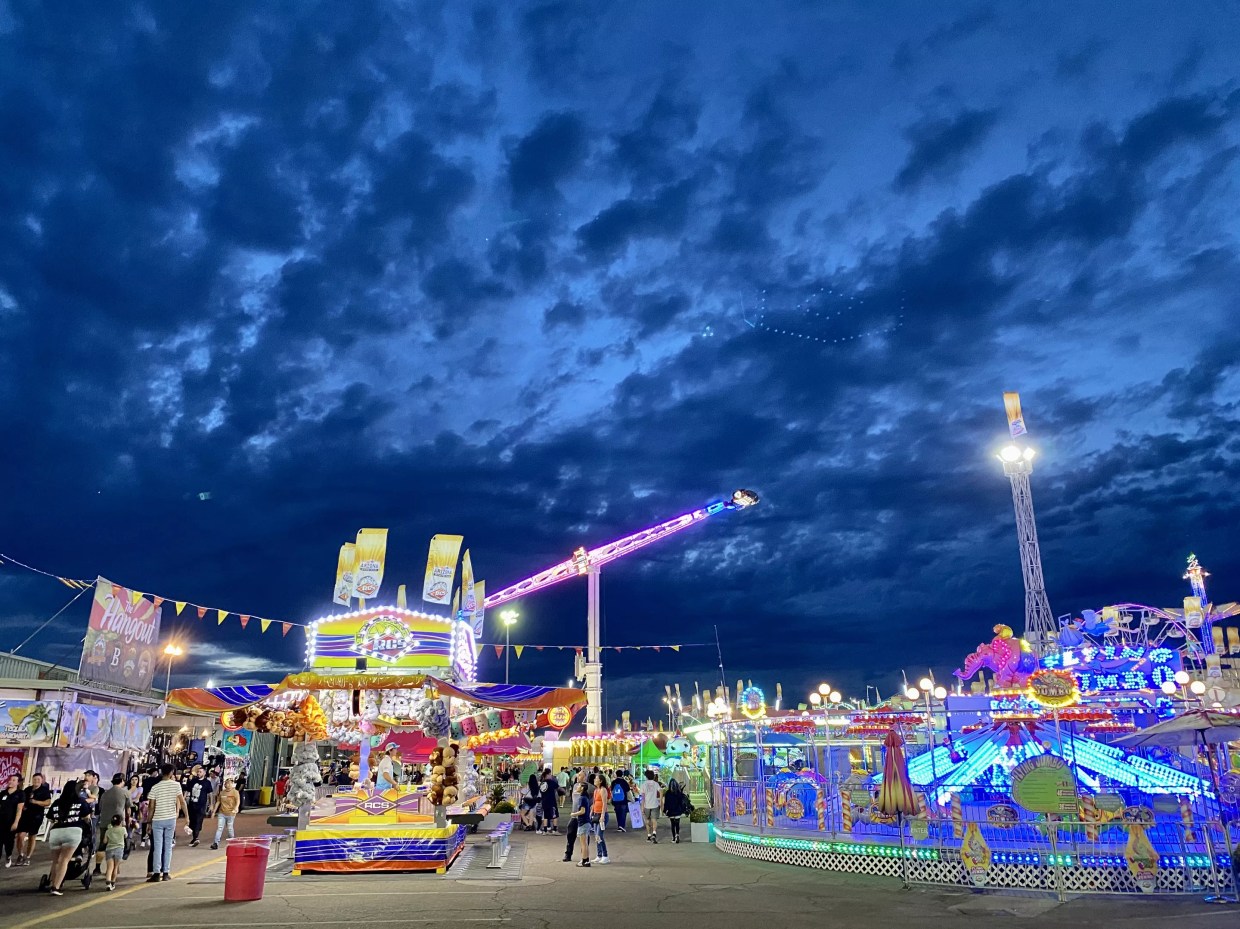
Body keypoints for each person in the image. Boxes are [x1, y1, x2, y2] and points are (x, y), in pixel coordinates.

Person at [45, 779, 91, 895]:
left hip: (56, 832)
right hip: (73, 831)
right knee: (64, 860)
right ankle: (56, 887)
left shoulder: (57, 802)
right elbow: (87, 817)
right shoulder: (80, 801)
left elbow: (50, 818)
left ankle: (52, 883)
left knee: (55, 861)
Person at [146, 763, 188, 882]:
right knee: (168, 847)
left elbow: (151, 807)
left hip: (157, 820)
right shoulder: (176, 785)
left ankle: (156, 873)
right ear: (171, 773)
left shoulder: (155, 787)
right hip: (170, 819)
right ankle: (166, 873)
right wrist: (187, 817)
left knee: (157, 847)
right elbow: (182, 802)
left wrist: (149, 822)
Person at [15, 772, 52, 866]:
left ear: (41, 780)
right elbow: (22, 800)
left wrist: (36, 802)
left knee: (32, 837)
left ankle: (28, 857)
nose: (36, 781)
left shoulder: (45, 790)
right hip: (25, 816)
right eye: (35, 779)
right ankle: (20, 855)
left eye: (38, 780)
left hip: (36, 816)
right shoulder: (27, 790)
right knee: (20, 836)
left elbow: (48, 802)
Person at [95, 774, 129, 873]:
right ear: (122, 780)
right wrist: (127, 820)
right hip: (118, 823)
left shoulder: (105, 794)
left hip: (104, 822)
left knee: (103, 845)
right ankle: (115, 869)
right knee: (118, 845)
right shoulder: (125, 793)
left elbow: (100, 807)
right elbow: (128, 809)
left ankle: (97, 868)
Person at [562, 770, 588, 862]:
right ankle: (568, 854)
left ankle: (584, 857)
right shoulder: (576, 786)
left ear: (584, 777)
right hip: (574, 816)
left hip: (583, 816)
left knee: (584, 839)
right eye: (578, 775)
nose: (578, 776)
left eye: (580, 775)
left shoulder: (588, 787)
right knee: (570, 835)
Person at [185, 765, 213, 846]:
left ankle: (196, 838)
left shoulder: (207, 782)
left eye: (200, 772)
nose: (198, 773)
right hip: (192, 805)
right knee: (192, 821)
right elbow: (187, 790)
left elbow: (210, 794)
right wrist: (183, 799)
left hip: (201, 806)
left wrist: (211, 804)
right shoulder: (193, 781)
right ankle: (195, 837)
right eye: (198, 772)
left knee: (198, 821)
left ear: (204, 773)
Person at [0, 774, 25, 867]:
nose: (11, 781)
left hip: (11, 821)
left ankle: (8, 856)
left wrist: (16, 822)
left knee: (8, 841)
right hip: (1, 820)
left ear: (18, 782)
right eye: (10, 780)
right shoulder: (3, 793)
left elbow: (19, 809)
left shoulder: (20, 793)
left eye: (14, 780)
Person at [210, 777, 240, 849]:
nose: (229, 785)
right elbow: (218, 801)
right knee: (220, 828)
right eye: (227, 783)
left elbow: (238, 801)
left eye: (230, 783)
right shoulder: (222, 792)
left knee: (230, 828)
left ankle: (232, 842)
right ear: (225, 784)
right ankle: (215, 843)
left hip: (231, 813)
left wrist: (236, 808)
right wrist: (214, 811)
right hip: (222, 813)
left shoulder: (235, 792)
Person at [571, 771, 593, 867]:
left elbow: (582, 811)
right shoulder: (585, 797)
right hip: (586, 822)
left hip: (583, 822)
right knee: (585, 843)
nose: (577, 787)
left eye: (579, 787)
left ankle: (584, 860)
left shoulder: (582, 798)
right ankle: (586, 860)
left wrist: (574, 814)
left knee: (583, 843)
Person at [101, 813, 127, 891]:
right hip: (119, 849)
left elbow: (105, 841)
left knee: (109, 867)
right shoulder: (123, 829)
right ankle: (113, 882)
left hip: (109, 849)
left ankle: (108, 882)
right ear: (120, 822)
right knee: (116, 867)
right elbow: (126, 836)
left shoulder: (108, 831)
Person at [589, 774, 611, 864]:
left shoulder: (603, 790)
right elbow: (594, 802)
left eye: (596, 779)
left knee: (599, 835)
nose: (595, 780)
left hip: (602, 815)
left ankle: (605, 855)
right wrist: (591, 812)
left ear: (601, 781)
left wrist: (602, 816)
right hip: (595, 814)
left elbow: (605, 803)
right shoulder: (596, 790)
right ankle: (599, 855)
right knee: (596, 836)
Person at [663, 777, 690, 844]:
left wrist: (665, 810)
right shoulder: (679, 793)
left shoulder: (668, 793)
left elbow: (666, 803)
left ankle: (673, 837)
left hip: (671, 811)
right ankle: (677, 835)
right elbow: (681, 802)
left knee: (672, 824)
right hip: (678, 810)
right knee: (677, 823)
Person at [641, 770, 662, 843]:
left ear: (646, 776)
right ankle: (654, 833)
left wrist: (642, 806)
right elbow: (661, 791)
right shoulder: (656, 784)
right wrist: (661, 801)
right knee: (654, 820)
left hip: (647, 805)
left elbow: (643, 797)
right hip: (655, 804)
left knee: (647, 821)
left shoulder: (643, 784)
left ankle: (649, 836)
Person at [539, 768, 560, 835]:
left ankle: (545, 831)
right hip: (551, 801)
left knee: (545, 816)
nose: (551, 775)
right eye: (550, 774)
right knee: (555, 815)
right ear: (548, 775)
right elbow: (558, 788)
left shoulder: (542, 783)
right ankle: (554, 830)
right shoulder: (551, 782)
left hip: (544, 801)